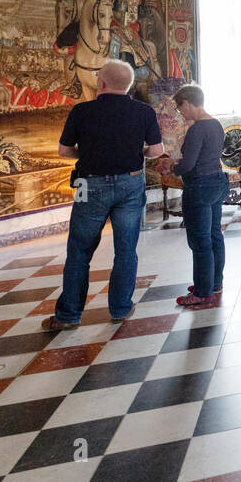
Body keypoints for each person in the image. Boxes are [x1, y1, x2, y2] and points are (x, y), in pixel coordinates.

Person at [46, 59, 162, 330]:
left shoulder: (82, 111)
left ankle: (68, 316)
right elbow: (156, 151)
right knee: (126, 250)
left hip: (89, 186)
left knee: (79, 251)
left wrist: (86, 153)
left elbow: (64, 151)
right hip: (131, 186)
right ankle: (120, 308)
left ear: (102, 82)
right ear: (129, 85)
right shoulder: (144, 112)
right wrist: (136, 154)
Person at [159, 84, 227, 306]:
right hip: (217, 181)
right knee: (215, 234)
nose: (181, 114)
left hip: (199, 187)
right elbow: (204, 157)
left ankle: (202, 291)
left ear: (187, 103)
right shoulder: (215, 124)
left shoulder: (197, 129)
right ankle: (214, 283)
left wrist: (172, 168)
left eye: (180, 109)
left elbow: (188, 165)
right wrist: (179, 163)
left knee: (200, 241)